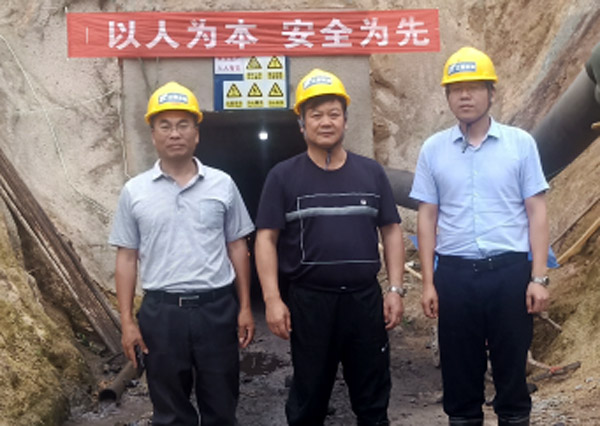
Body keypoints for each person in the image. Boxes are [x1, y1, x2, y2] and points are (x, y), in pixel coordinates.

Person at [254, 68, 406, 426]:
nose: (326, 122)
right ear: (302, 124)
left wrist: (395, 289)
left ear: (346, 120)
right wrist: (273, 299)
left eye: (334, 114)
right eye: (316, 114)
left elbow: (391, 230)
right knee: (309, 398)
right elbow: (266, 239)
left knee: (372, 399)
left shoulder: (371, 173)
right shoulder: (283, 176)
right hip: (310, 302)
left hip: (364, 301)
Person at [410, 47, 550, 426]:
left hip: (509, 274)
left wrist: (538, 278)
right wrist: (428, 282)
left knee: (511, 373)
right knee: (460, 375)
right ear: (447, 97)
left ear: (492, 93)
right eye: (456, 89)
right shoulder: (433, 150)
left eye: (473, 88)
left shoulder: (520, 144)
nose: (465, 96)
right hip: (455, 276)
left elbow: (537, 212)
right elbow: (427, 217)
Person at [109, 81, 255, 426]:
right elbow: (126, 257)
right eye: (165, 125)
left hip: (216, 309)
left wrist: (245, 307)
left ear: (196, 134)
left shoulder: (222, 184)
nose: (175, 133)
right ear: (153, 135)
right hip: (161, 314)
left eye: (183, 125)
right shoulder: (134, 192)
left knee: (221, 406)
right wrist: (127, 321)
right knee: (170, 411)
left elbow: (238, 247)